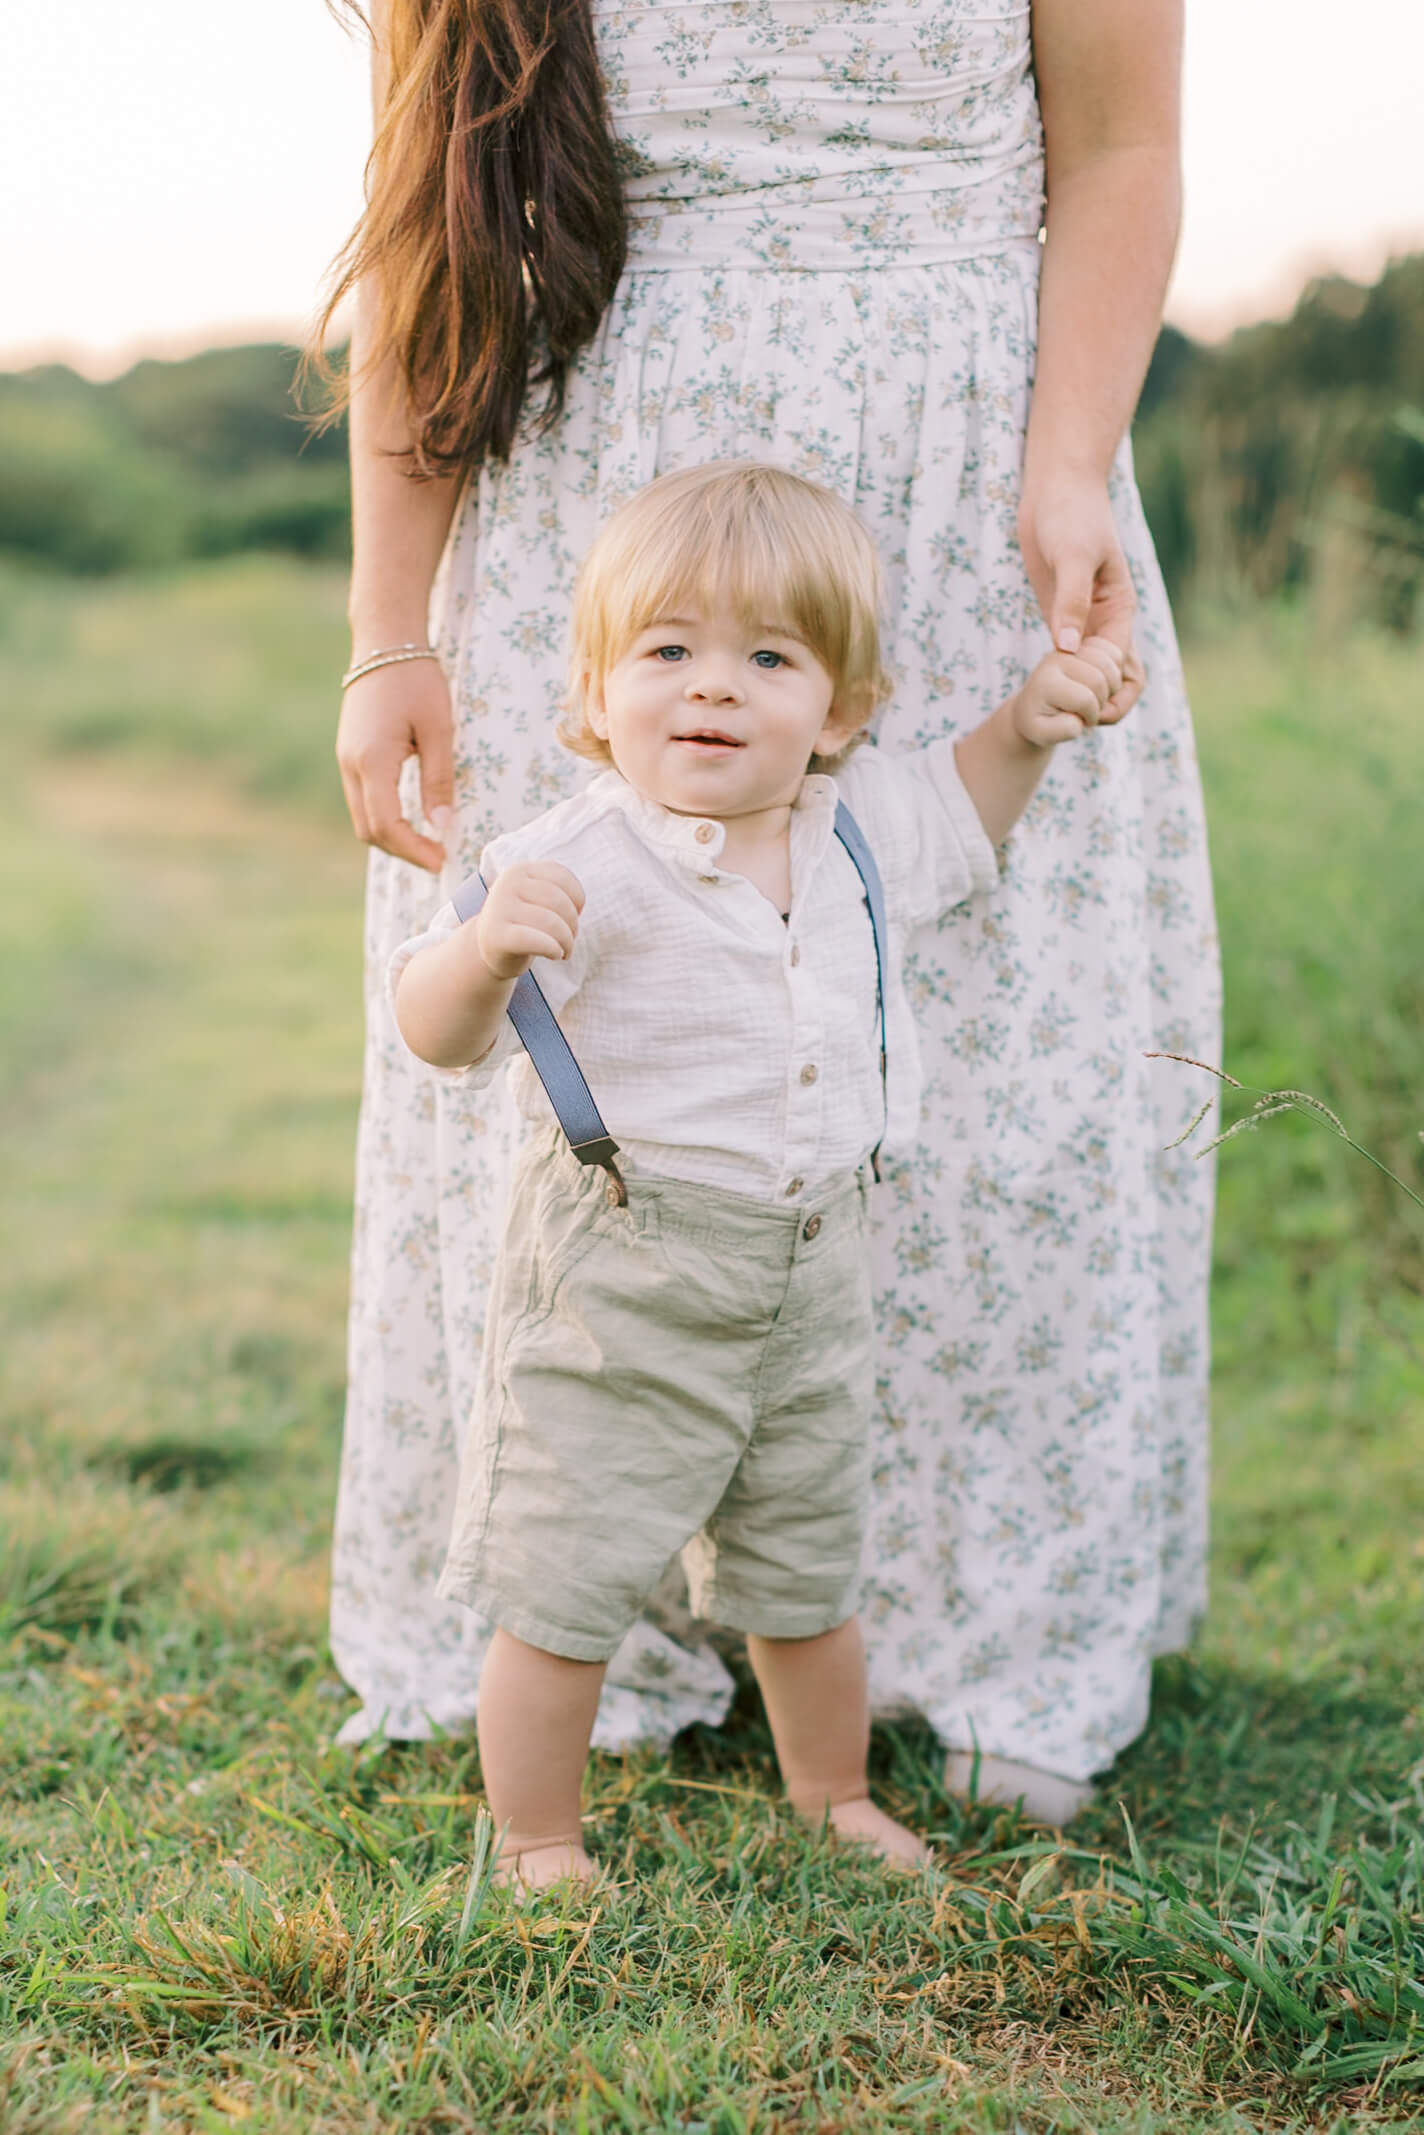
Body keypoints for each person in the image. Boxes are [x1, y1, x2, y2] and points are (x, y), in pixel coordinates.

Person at [323, 0, 1219, 1822]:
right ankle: (593, 1622)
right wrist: (390, 627)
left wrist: (1064, 467)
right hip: (605, 500)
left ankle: (973, 1633)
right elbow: (431, 219)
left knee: (987, 1027)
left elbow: (1119, 146)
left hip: (957, 468)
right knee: (606, 1009)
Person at [389, 462, 1133, 1888]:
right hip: (627, 1267)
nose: (713, 689)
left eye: (768, 658)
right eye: (667, 653)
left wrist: (1031, 727)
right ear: (599, 694)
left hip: (815, 1266)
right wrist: (480, 953)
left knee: (808, 1557)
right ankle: (538, 1837)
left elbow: (970, 808)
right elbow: (434, 1033)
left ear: (840, 711)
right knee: (568, 1560)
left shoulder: (852, 829)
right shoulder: (574, 855)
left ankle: (832, 1795)